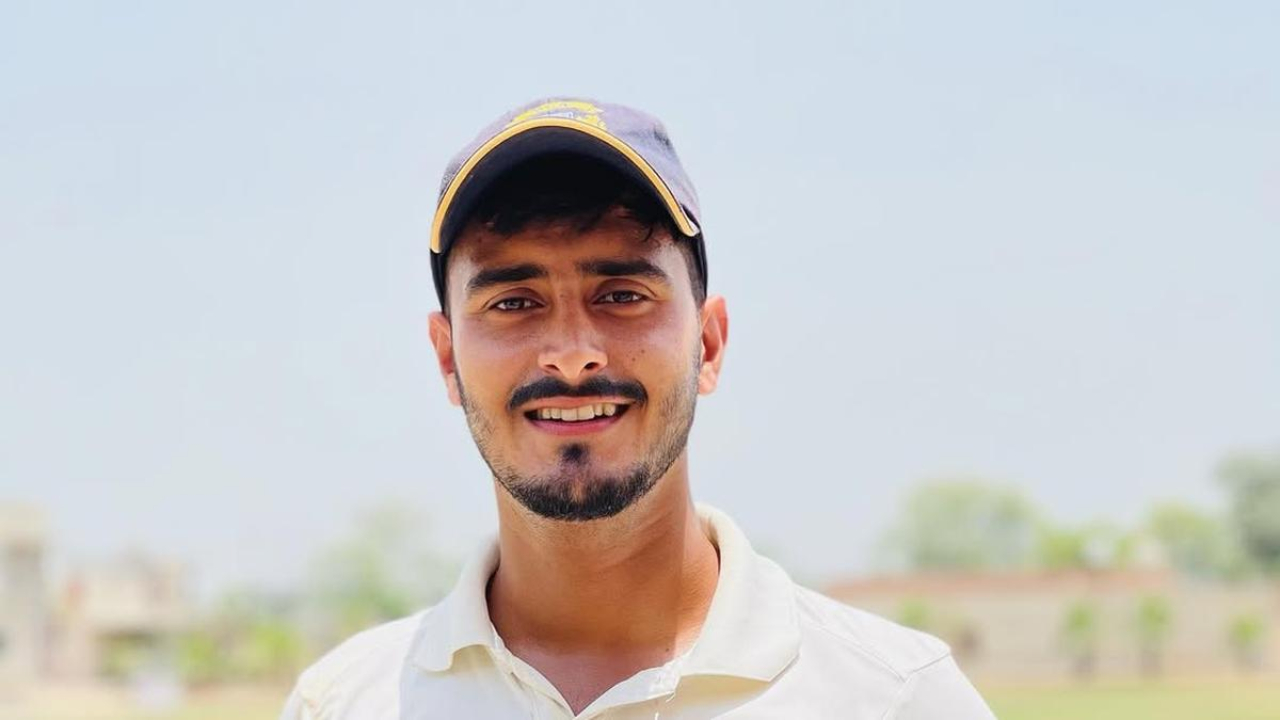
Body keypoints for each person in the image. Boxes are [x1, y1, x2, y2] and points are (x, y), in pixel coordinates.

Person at [279, 98, 996, 719]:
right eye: (514, 302)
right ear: (447, 360)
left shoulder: (892, 698)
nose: (571, 354)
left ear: (708, 344)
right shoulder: (345, 703)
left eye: (622, 295)